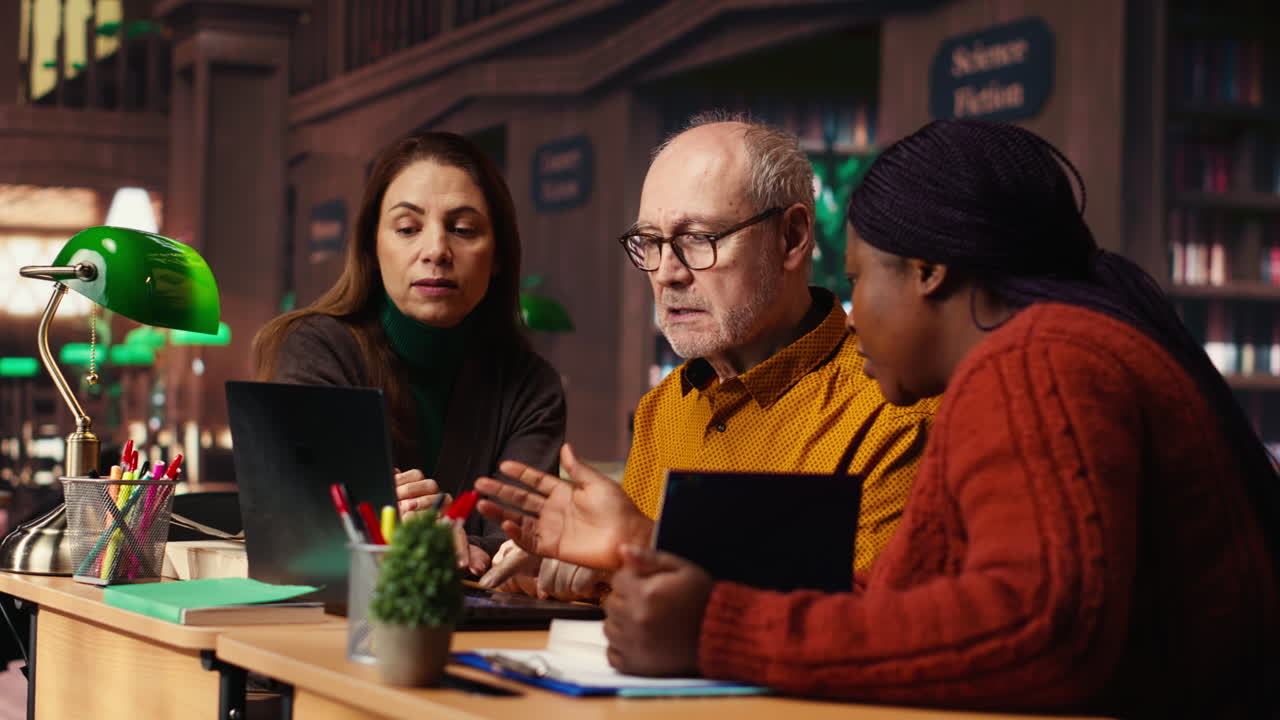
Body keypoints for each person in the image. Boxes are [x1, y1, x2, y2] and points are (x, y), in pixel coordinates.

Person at [476, 119, 1280, 716]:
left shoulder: (1038, 362)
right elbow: (900, 597)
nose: (853, 315)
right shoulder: (1039, 357)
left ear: (928, 273)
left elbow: (1040, 630)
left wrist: (717, 630)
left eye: (860, 280)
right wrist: (655, 564)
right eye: (651, 244)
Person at [486, 115, 936, 600]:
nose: (666, 273)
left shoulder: (895, 411)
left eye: (698, 238)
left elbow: (869, 618)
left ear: (791, 237)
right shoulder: (663, 409)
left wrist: (641, 552)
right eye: (650, 243)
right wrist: (572, 566)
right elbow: (628, 587)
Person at [253, 131, 566, 575]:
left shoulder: (532, 388)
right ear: (372, 247)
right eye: (407, 229)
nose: (436, 251)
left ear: (498, 254)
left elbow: (517, 547)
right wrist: (450, 542)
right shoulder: (314, 349)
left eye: (463, 230)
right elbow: (310, 530)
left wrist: (432, 534)